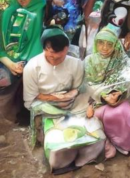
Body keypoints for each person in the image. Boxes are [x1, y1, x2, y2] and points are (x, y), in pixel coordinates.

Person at [23, 27, 106, 173]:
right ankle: (62, 155)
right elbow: (30, 97)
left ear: (66, 49)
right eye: (50, 56)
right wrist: (54, 98)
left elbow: (79, 89)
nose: (54, 60)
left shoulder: (75, 64)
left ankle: (86, 154)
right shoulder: (32, 67)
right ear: (44, 49)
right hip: (46, 105)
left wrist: (71, 94)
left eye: (59, 57)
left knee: (94, 133)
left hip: (73, 104)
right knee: (58, 143)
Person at [84, 26, 130, 157]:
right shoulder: (89, 61)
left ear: (115, 45)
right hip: (98, 101)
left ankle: (128, 144)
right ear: (96, 43)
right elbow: (88, 85)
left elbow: (129, 78)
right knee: (117, 114)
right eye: (101, 43)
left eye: (109, 44)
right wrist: (104, 96)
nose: (104, 47)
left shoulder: (121, 60)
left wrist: (119, 93)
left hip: (120, 99)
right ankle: (117, 142)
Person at [0, 0, 45, 121]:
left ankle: (30, 117)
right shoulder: (8, 13)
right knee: (5, 78)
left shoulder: (41, 11)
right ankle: (5, 122)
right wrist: (11, 63)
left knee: (37, 75)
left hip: (34, 59)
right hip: (8, 60)